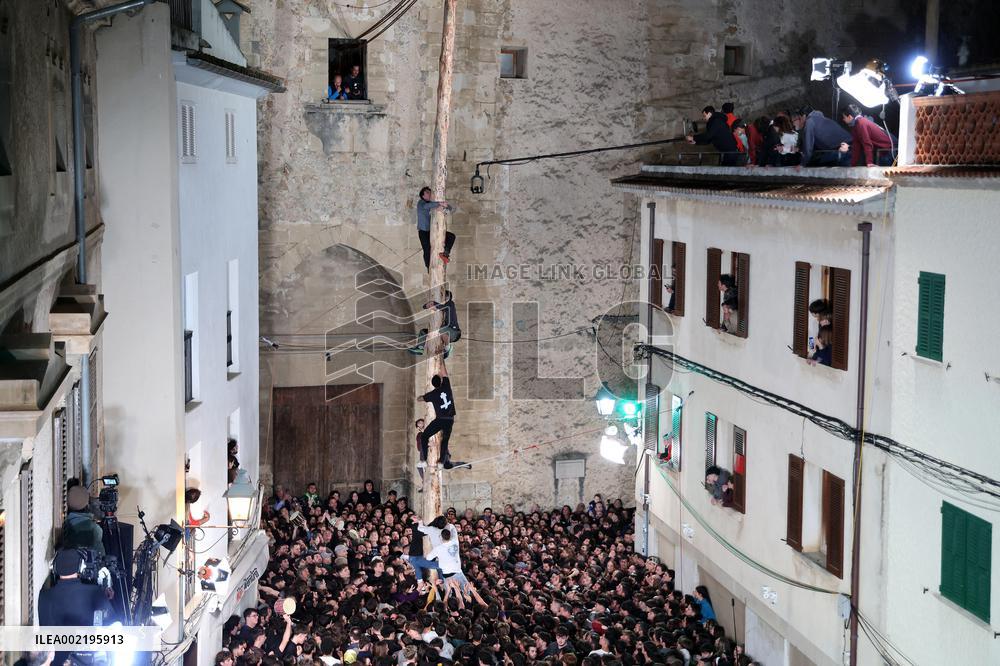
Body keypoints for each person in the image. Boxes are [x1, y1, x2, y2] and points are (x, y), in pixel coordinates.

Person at [39, 549, 115, 665]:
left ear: (54, 568)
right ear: (81, 567)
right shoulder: (95, 593)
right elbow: (112, 625)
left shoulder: (44, 596)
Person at [418, 365, 456, 468]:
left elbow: (420, 399)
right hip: (449, 420)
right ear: (441, 381)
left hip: (440, 420)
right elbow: (445, 373)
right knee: (445, 440)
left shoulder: (433, 394)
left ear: (433, 385)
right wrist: (441, 359)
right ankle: (441, 462)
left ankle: (424, 461)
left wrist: (421, 397)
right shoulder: (446, 386)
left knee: (425, 436)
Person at [415, 186, 457, 269]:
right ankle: (429, 268)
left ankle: (445, 254)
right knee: (427, 250)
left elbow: (449, 208)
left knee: (451, 236)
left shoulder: (432, 204)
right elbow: (426, 206)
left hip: (432, 231)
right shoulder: (421, 203)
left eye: (430, 192)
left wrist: (446, 206)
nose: (429, 194)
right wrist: (440, 203)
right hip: (423, 232)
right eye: (427, 192)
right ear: (422, 195)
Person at [61, 485, 105, 554]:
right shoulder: (94, 529)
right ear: (87, 506)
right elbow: (101, 558)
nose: (98, 501)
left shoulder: (67, 519)